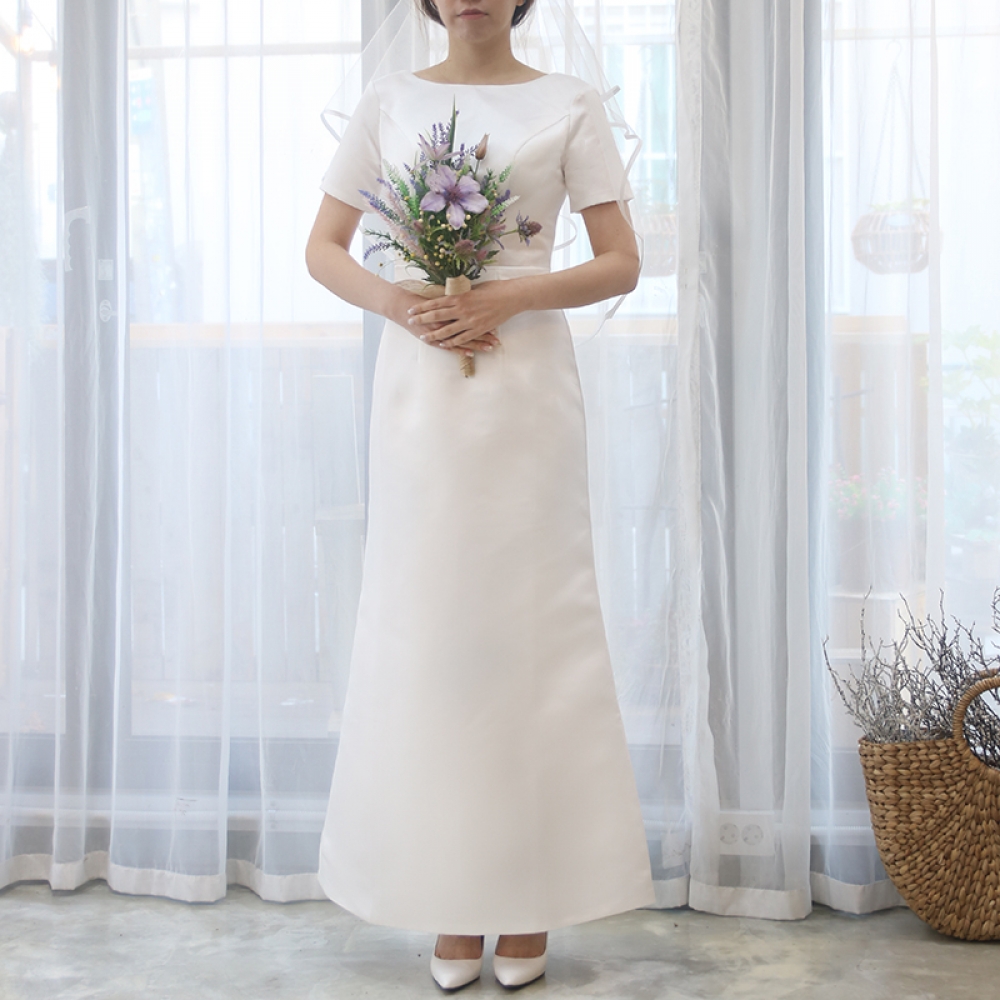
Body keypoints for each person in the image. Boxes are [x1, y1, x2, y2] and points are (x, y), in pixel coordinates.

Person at [305, 0, 655, 990]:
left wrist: (509, 291)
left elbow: (623, 261)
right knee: (435, 636)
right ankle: (452, 896)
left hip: (525, 388)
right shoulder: (388, 99)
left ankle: (530, 894)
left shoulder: (570, 100)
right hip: (422, 389)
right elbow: (324, 247)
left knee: (531, 634)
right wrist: (403, 305)